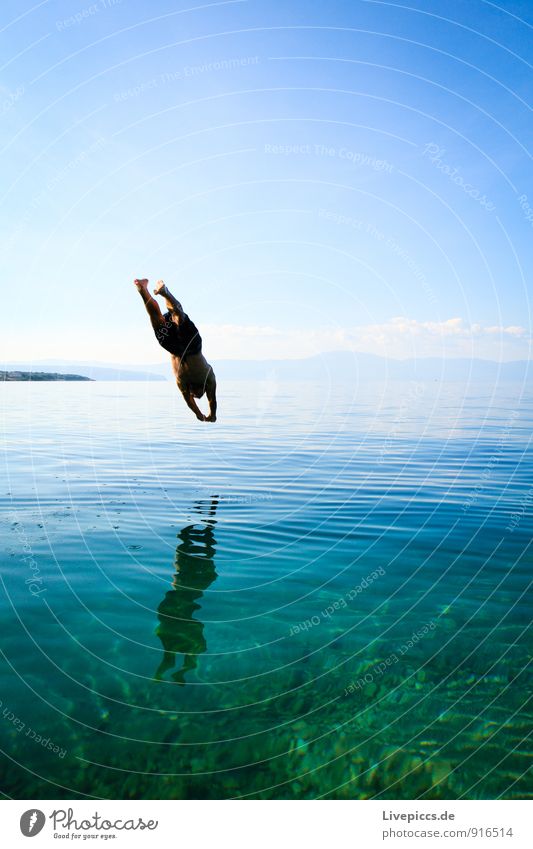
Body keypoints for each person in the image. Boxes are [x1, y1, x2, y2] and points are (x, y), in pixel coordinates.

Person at [134, 278, 217, 422]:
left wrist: (201, 414)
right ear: (201, 390)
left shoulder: (184, 383)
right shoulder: (207, 379)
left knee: (160, 318)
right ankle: (164, 293)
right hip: (191, 346)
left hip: (173, 346)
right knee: (178, 318)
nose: (196, 396)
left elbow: (191, 401)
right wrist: (210, 415)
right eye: (199, 395)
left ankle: (144, 290)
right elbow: (211, 400)